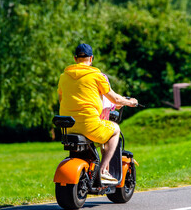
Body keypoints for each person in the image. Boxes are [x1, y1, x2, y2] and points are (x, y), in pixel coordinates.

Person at [57, 43, 138, 184]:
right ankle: (103, 170)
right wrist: (131, 102)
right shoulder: (96, 76)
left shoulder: (64, 76)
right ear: (91, 58)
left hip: (68, 126)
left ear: (75, 59)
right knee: (115, 130)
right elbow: (115, 99)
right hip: (89, 125)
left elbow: (61, 99)